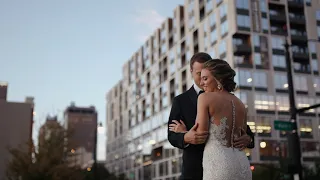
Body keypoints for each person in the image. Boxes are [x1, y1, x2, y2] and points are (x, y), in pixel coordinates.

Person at [167, 53, 254, 180]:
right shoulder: (180, 101)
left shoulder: (207, 98)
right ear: (191, 71)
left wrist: (249, 139)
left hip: (218, 168)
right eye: (198, 74)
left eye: (205, 77)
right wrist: (185, 137)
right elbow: (171, 136)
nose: (202, 81)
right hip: (196, 171)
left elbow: (246, 132)